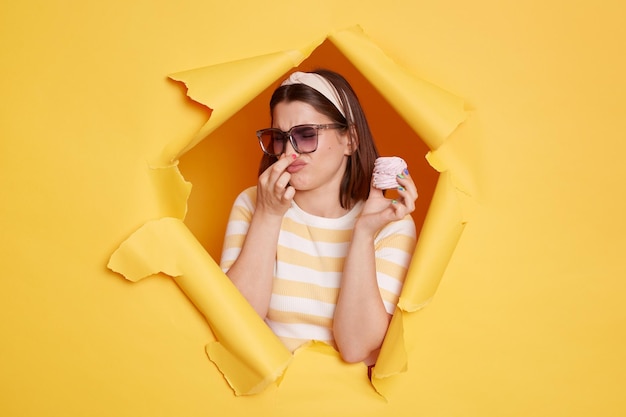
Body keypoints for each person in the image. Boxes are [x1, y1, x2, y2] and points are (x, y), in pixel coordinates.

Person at [220, 69, 417, 366]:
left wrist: (363, 233)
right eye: (279, 138)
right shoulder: (253, 203)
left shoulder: (390, 222)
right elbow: (234, 322)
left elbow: (356, 348)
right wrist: (269, 215)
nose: (289, 152)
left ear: (350, 139)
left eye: (306, 134)